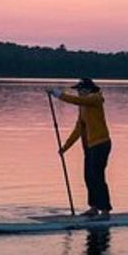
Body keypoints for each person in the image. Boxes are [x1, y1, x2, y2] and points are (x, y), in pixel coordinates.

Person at [48, 78, 112, 217]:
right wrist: (65, 147)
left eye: (80, 90)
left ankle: (105, 210)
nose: (78, 92)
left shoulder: (95, 99)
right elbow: (78, 129)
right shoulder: (83, 106)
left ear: (88, 89)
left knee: (97, 177)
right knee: (88, 176)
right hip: (89, 146)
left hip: (101, 144)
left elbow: (80, 101)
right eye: (77, 90)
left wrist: (59, 95)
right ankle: (94, 207)